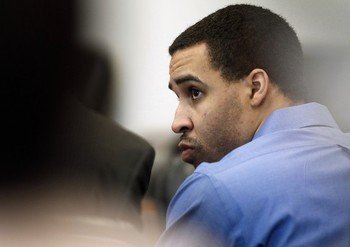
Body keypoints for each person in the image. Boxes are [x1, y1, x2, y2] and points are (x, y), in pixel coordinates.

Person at [158, 4, 350, 247]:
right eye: (178, 97)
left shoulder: (214, 189)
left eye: (194, 93)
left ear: (256, 87)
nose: (177, 123)